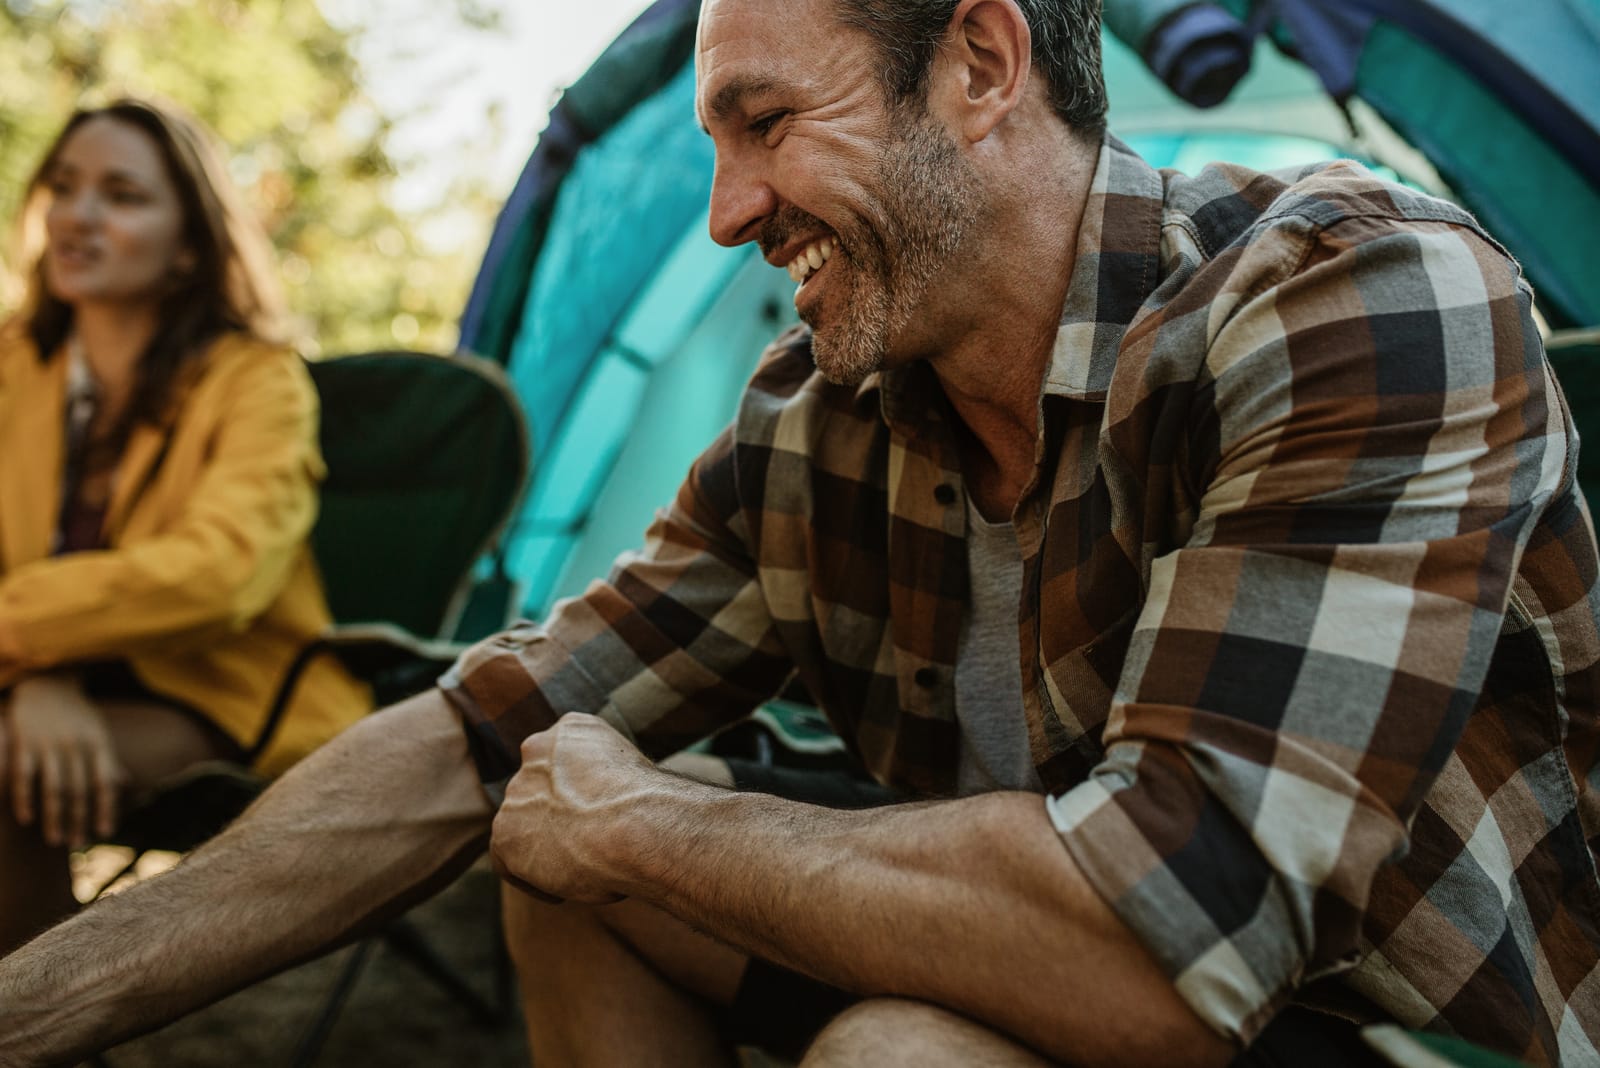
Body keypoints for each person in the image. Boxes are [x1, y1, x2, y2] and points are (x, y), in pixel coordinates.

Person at [1, 0, 1597, 1063]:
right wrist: (36, 1006)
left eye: (763, 122)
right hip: (1070, 973)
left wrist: (650, 821)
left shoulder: (1351, 298)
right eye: (710, 141)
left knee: (876, 1038)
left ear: (979, 66)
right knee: (563, 851)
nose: (725, 211)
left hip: (1406, 1028)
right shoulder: (822, 421)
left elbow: (1170, 940)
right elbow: (476, 742)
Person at [0, 99, 368, 955]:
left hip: (221, 692)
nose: (78, 215)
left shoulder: (259, 382)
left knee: (6, 766)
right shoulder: (16, 365)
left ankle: (37, 1028)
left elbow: (220, 573)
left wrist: (19, 642)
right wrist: (33, 676)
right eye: (64, 186)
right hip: (41, 680)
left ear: (191, 243)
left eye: (122, 195)